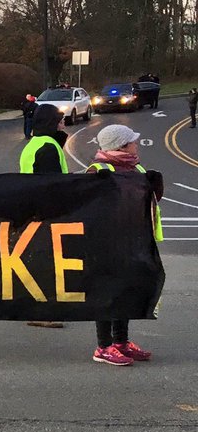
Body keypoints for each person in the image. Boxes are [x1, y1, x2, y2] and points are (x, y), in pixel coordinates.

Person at [85, 124, 162, 365]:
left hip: (133, 239)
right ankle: (103, 346)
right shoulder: (98, 170)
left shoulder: (136, 167)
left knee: (126, 292)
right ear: (120, 145)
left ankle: (121, 341)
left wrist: (155, 187)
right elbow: (88, 208)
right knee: (107, 294)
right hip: (106, 243)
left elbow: (143, 202)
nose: (136, 143)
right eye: (131, 141)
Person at [19, 103, 68, 328]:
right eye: (60, 120)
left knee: (40, 260)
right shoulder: (48, 147)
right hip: (47, 212)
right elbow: (54, 184)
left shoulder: (35, 143)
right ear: (51, 122)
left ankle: (37, 308)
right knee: (48, 262)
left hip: (31, 208)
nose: (63, 123)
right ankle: (42, 312)